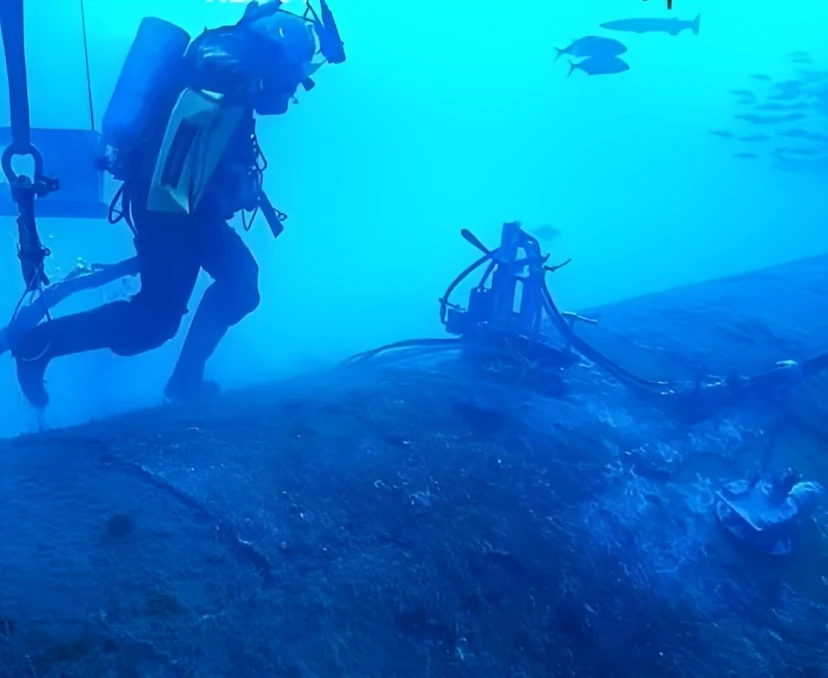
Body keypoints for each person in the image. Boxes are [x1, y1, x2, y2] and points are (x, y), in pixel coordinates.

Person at [9, 2, 335, 407]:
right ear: (277, 54)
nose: (292, 88)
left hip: (192, 208)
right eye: (294, 73)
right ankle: (38, 344)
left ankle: (185, 381)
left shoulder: (237, 64)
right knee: (154, 321)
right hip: (167, 206)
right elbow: (214, 70)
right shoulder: (227, 54)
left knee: (239, 284)